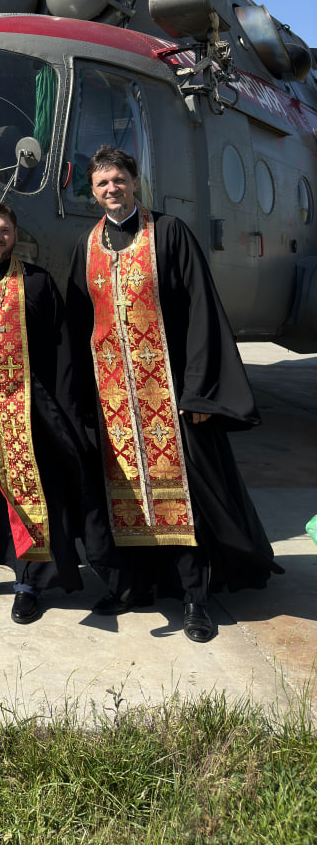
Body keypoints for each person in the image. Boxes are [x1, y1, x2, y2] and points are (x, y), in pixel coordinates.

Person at [66, 145, 282, 643]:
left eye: (118, 180)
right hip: (114, 402)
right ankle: (135, 587)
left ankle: (194, 597)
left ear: (135, 182)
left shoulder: (168, 233)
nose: (111, 190)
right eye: (101, 184)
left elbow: (202, 311)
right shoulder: (87, 246)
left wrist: (201, 390)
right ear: (93, 191)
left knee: (182, 501)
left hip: (169, 396)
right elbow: (79, 323)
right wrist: (79, 397)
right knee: (127, 500)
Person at [0, 199, 116, 624]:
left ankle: (30, 584)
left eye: (5, 231)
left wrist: (64, 411)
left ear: (15, 236)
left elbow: (63, 352)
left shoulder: (38, 284)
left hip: (28, 417)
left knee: (31, 498)